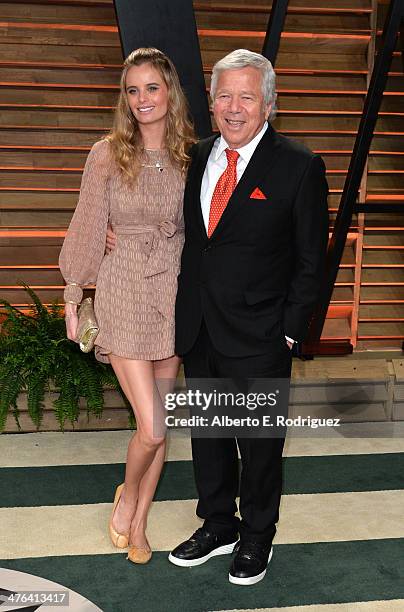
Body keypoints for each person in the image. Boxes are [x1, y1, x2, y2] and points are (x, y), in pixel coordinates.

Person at [106, 48, 329, 584]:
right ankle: (217, 523)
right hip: (200, 325)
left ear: (268, 103)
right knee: (208, 436)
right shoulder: (196, 156)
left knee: (258, 443)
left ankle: (257, 535)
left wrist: (293, 331)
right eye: (224, 95)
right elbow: (174, 228)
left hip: (262, 332)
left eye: (246, 96)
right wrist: (121, 238)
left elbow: (309, 259)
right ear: (210, 101)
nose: (233, 107)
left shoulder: (299, 166)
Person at [59, 47, 195, 564]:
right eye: (133, 90)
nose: (142, 99)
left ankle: (138, 519)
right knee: (154, 425)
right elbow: (88, 225)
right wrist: (75, 295)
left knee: (159, 419)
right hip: (123, 292)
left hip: (172, 294)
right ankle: (126, 496)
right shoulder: (106, 153)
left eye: (152, 88)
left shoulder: (192, 156)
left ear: (170, 92)